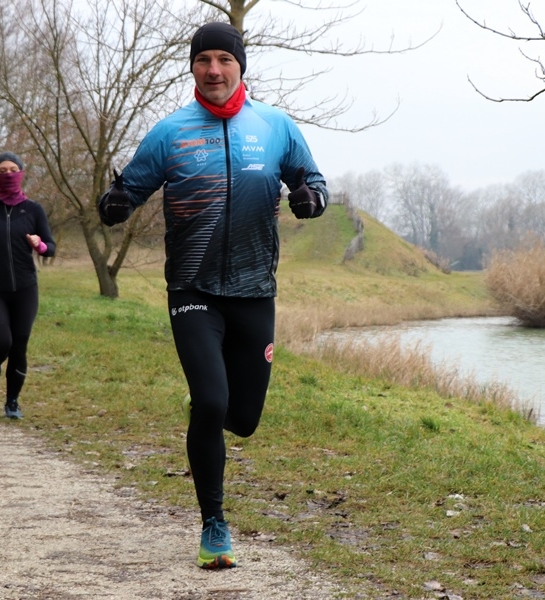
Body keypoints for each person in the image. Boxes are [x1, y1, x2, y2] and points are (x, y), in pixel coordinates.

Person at [97, 22, 329, 569]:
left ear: (240, 66)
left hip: (254, 291)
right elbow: (127, 191)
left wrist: (308, 199)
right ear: (193, 68)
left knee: (242, 418)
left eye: (225, 59)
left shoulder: (275, 127)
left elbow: (315, 184)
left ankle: (210, 408)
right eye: (204, 60)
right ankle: (214, 525)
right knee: (211, 402)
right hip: (192, 289)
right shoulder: (170, 132)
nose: (214, 70)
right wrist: (115, 202)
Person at [0, 151, 56, 420]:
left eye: (13, 170)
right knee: (0, 341)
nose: (8, 175)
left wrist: (39, 245)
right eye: (2, 171)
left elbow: (51, 247)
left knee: (19, 346)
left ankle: (12, 402)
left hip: (26, 288)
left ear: (21, 173)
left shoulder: (34, 210)